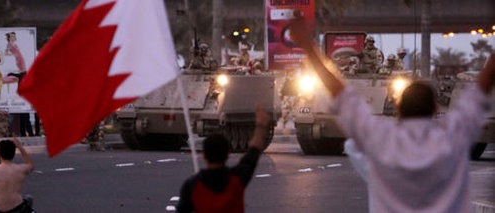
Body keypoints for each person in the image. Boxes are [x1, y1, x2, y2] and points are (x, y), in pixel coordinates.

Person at [290, 22, 495, 212]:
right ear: (434, 108)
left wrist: (309, 47)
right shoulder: (454, 136)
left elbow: (341, 95)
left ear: (398, 108)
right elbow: (478, 95)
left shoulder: (380, 138)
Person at [177, 105, 270, 213]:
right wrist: (260, 126)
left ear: (204, 155)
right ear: (228, 154)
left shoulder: (191, 185)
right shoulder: (237, 179)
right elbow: (254, 150)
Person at [0, 138, 35, 213]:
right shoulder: (20, 169)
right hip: (19, 210)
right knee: (28, 198)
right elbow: (30, 164)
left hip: (0, 211)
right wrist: (20, 147)